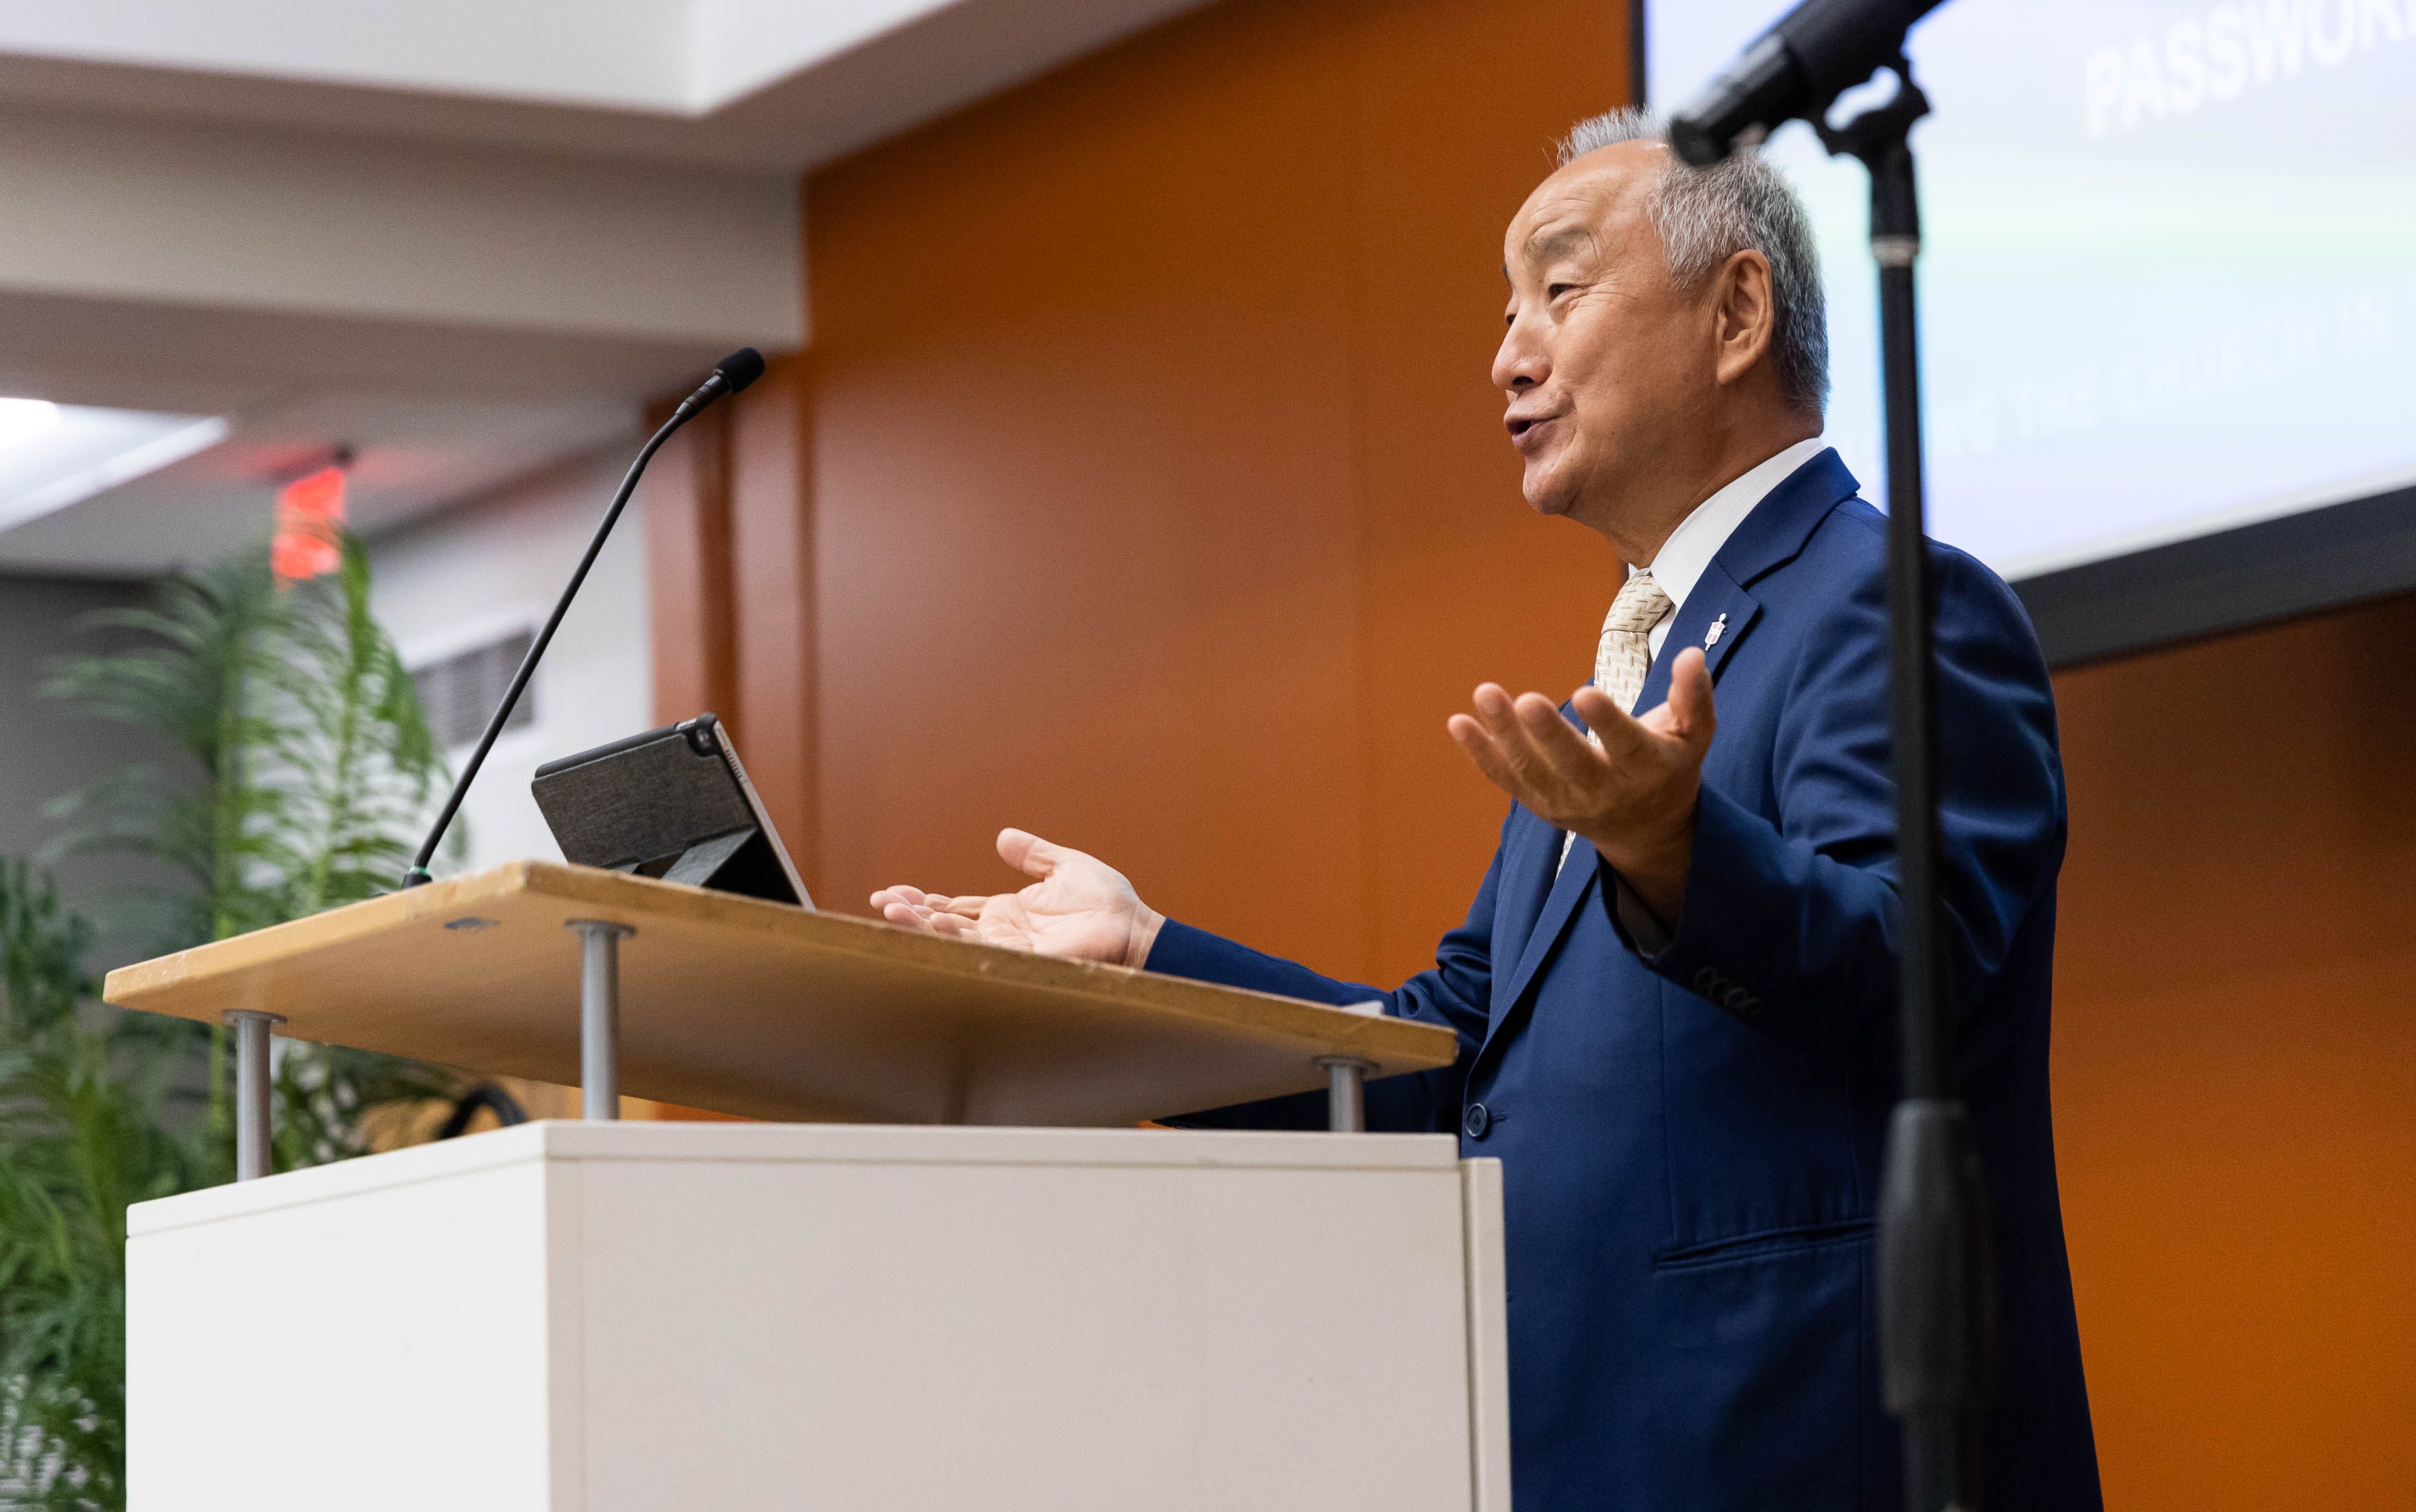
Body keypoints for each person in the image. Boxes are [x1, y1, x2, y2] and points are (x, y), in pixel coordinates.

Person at [870, 107, 2103, 1511]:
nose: (1506, 355)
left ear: (1737, 312)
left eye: (1560, 294)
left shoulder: (1890, 602)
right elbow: (1454, 1064)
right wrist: (1150, 953)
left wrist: (1674, 852)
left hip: (1805, 1449)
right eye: (1508, 310)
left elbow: (1918, 977)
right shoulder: (1624, 685)